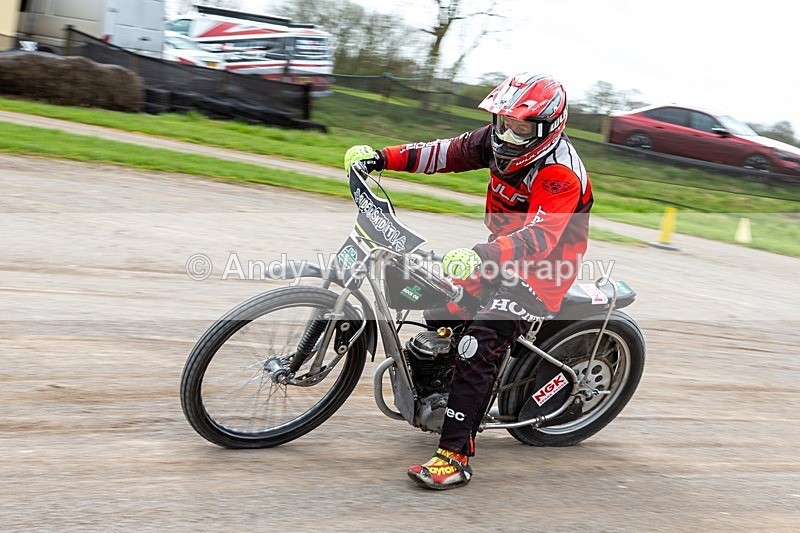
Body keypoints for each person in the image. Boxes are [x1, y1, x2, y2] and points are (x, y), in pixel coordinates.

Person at [343, 73, 594, 490]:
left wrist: (484, 253)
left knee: (479, 342)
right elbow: (443, 153)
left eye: (522, 126)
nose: (509, 133)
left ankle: (455, 455)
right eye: (504, 122)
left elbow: (540, 235)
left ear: (551, 127)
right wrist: (380, 158)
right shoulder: (496, 139)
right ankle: (446, 391)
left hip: (544, 270)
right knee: (438, 305)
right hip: (501, 252)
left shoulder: (559, 174)